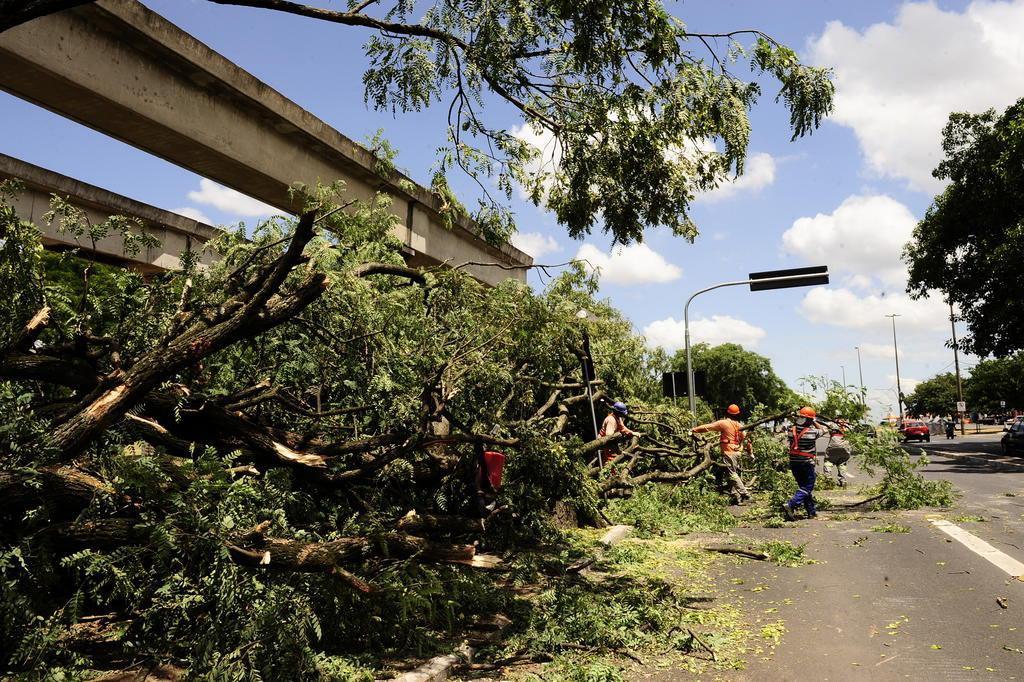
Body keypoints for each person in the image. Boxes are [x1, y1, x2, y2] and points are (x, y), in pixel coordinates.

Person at [690, 404, 752, 505]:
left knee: (732, 473)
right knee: (731, 473)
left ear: (727, 413)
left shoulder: (724, 423)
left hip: (729, 452)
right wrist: (750, 452)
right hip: (737, 452)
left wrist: (694, 430)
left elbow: (708, 427)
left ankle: (746, 494)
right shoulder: (740, 426)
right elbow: (748, 440)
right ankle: (737, 498)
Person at [781, 406, 828, 521]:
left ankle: (811, 512)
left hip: (794, 463)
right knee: (808, 486)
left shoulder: (791, 430)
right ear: (810, 420)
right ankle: (791, 504)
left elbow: (788, 424)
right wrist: (815, 421)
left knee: (803, 487)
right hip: (806, 463)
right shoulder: (812, 432)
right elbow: (824, 430)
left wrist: (798, 417)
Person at [823, 420, 854, 487]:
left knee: (828, 461)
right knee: (842, 463)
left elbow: (824, 428)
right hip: (845, 447)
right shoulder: (849, 426)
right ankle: (843, 481)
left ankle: (828, 479)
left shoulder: (833, 424)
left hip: (833, 446)